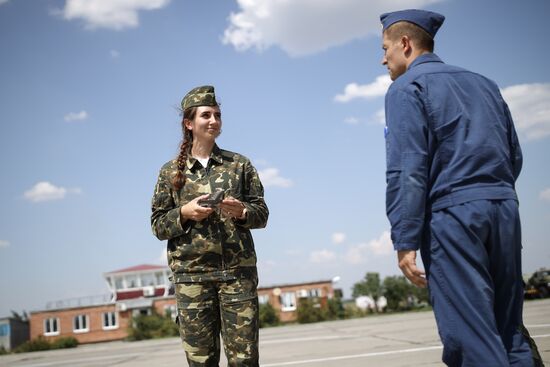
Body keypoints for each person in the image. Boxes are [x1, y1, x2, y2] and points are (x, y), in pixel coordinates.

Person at [380, 9, 544, 367]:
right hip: (503, 208)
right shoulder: (485, 83)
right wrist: (489, 192)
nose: (383, 59)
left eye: (386, 48)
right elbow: (513, 155)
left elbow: (408, 169)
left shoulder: (406, 89)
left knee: (470, 338)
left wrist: (405, 238)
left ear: (405, 44)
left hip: (453, 218)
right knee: (510, 331)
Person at [151, 85, 269, 366]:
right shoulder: (170, 172)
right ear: (189, 123)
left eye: (217, 114)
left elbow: (261, 214)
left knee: (245, 360)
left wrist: (242, 211)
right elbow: (158, 225)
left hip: (237, 277)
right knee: (201, 362)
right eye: (206, 115)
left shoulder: (239, 165)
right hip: (192, 279)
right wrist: (185, 212)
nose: (214, 120)